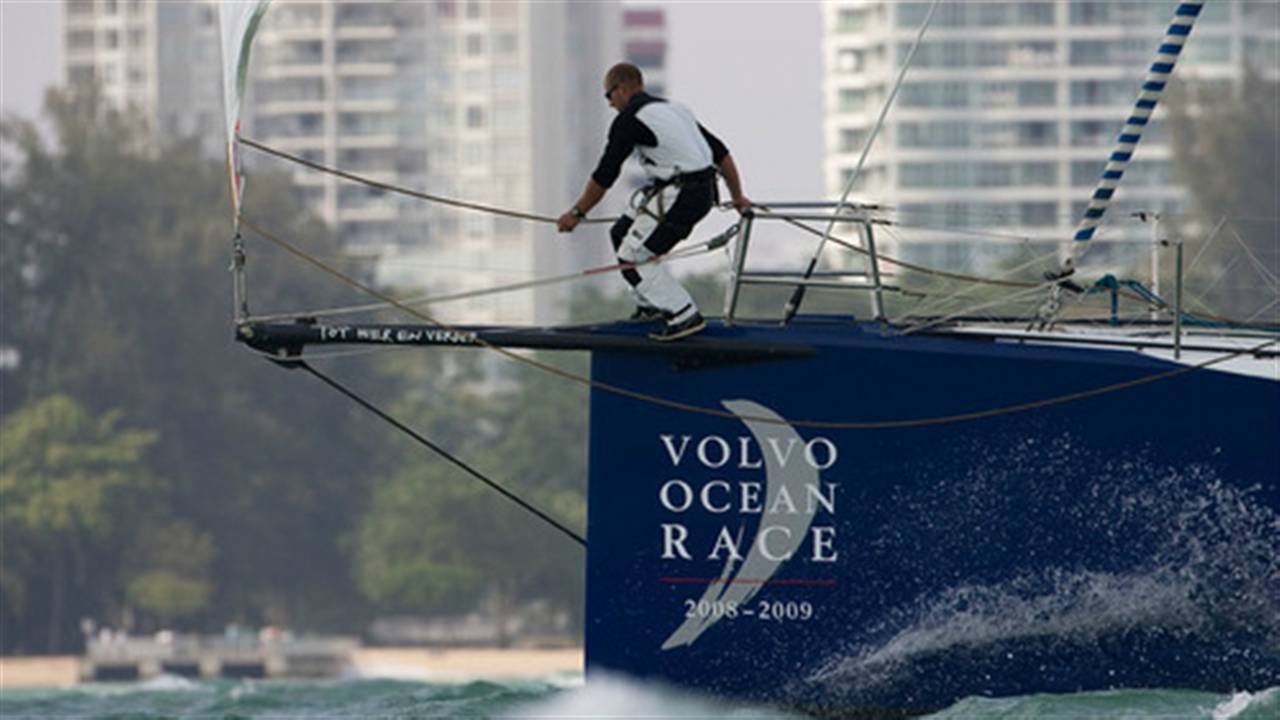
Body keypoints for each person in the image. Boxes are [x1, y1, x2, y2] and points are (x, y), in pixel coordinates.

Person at [557, 63, 750, 341]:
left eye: (608, 96)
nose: (610, 104)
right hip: (698, 191)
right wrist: (737, 196)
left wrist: (576, 213)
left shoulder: (630, 120)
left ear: (622, 89)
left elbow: (605, 175)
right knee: (621, 232)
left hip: (683, 195)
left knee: (632, 258)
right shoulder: (674, 110)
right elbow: (721, 155)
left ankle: (684, 315)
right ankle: (650, 305)